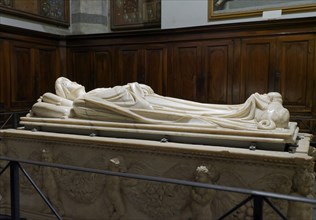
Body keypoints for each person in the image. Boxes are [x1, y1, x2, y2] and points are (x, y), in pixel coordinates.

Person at [28, 77, 290, 131]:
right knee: (188, 111)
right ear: (67, 93)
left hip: (147, 101)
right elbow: (116, 104)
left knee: (193, 106)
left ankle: (240, 110)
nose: (75, 83)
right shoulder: (85, 99)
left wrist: (135, 89)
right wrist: (131, 91)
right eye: (69, 85)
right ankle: (247, 115)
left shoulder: (90, 94)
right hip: (145, 107)